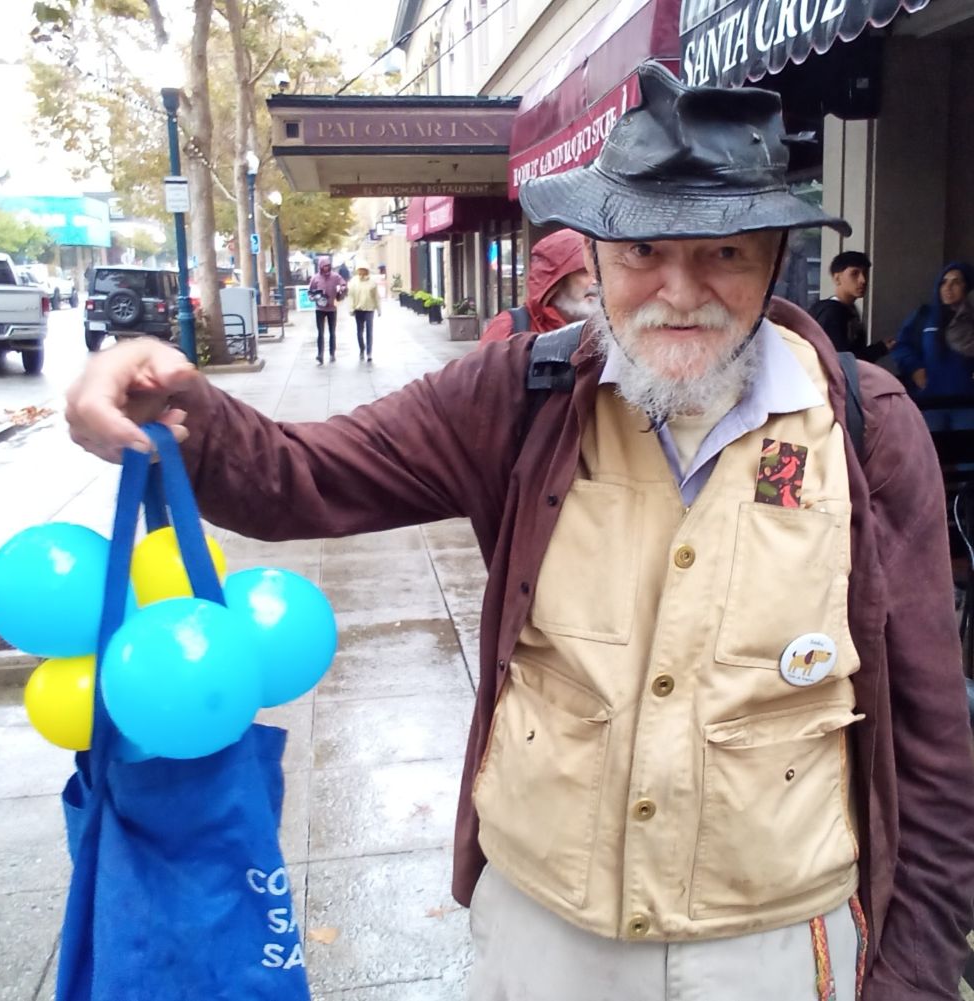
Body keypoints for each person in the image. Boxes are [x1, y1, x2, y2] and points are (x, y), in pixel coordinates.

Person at [64, 63, 974, 1001]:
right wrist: (177, 404)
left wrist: (916, 971)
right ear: (593, 255)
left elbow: (931, 731)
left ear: (775, 255)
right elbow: (302, 474)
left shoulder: (867, 424)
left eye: (725, 253)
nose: (679, 289)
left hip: (781, 943)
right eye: (643, 253)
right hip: (546, 939)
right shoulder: (517, 392)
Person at [891, 262, 974, 430]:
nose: (948, 287)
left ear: (967, 287)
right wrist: (914, 368)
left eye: (956, 282)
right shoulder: (924, 315)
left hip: (967, 403)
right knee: (930, 452)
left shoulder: (971, 319)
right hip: (930, 402)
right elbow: (901, 345)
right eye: (944, 282)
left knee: (966, 451)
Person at [480, 228, 598, 343]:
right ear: (556, 282)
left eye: (600, 272)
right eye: (585, 272)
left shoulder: (604, 332)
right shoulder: (509, 327)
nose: (596, 281)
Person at [809, 251, 891, 361]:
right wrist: (879, 349)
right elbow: (841, 362)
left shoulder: (848, 310)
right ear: (837, 278)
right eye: (854, 273)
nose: (863, 280)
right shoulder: (832, 314)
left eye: (865, 273)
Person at [308, 256, 346, 364]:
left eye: (328, 266)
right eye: (324, 266)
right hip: (320, 308)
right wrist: (313, 297)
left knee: (332, 332)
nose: (326, 268)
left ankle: (332, 353)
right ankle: (320, 354)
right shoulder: (315, 278)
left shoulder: (335, 276)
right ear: (320, 266)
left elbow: (343, 283)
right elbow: (310, 292)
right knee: (320, 332)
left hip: (331, 308)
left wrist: (342, 288)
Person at [346, 261, 381, 362]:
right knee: (359, 332)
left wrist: (379, 309)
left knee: (369, 331)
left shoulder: (372, 282)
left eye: (363, 270)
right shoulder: (353, 281)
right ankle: (362, 349)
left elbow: (376, 297)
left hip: (369, 309)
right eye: (360, 270)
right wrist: (351, 308)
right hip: (358, 309)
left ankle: (369, 352)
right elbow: (351, 296)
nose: (361, 272)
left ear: (367, 271)